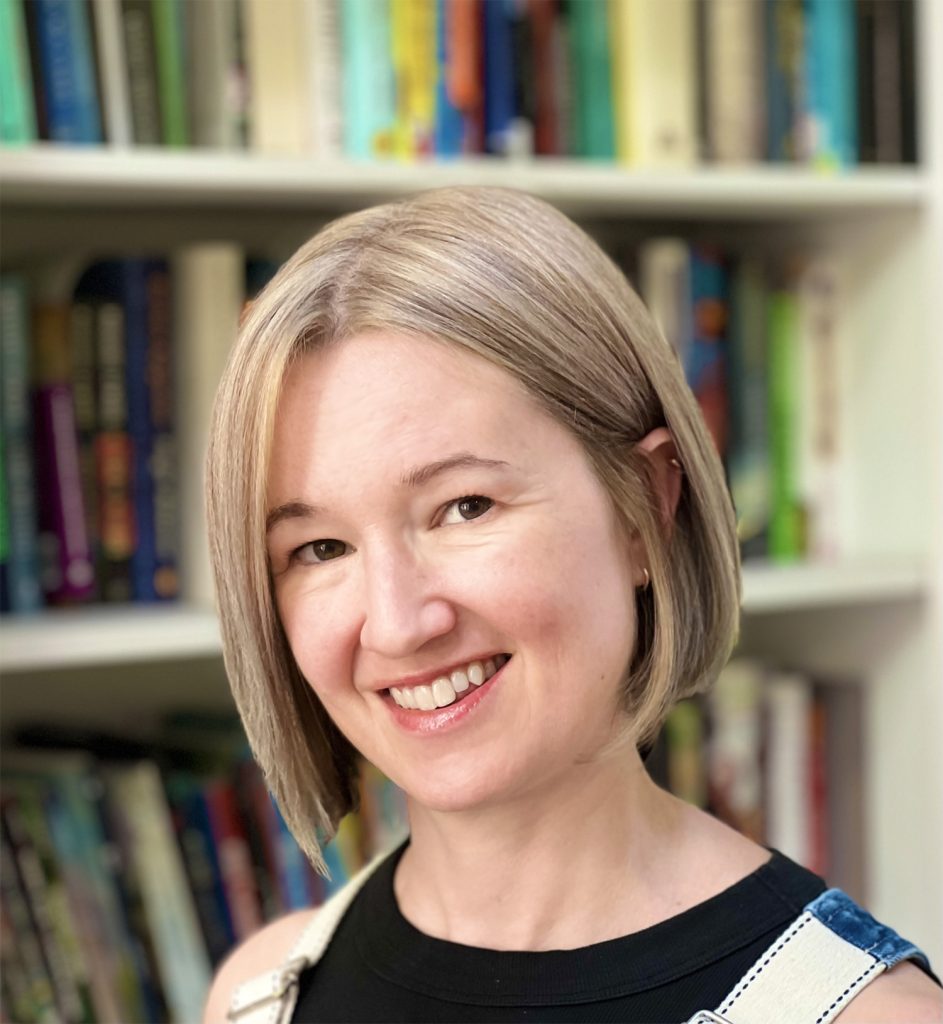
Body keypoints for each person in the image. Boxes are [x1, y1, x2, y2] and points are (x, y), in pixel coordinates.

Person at [202, 187, 941, 1023]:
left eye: (465, 506)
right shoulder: (257, 998)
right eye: (319, 549)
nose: (399, 622)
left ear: (643, 510)